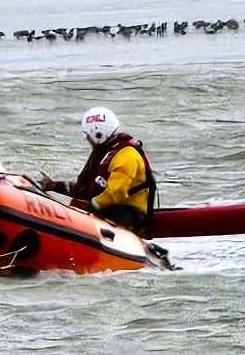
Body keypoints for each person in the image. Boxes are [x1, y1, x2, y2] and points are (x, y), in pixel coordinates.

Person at [40, 107, 171, 264]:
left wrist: (87, 206)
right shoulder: (108, 154)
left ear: (98, 133)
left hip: (127, 218)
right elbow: (88, 190)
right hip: (107, 215)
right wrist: (55, 186)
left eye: (88, 136)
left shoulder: (127, 156)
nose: (88, 140)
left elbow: (115, 194)